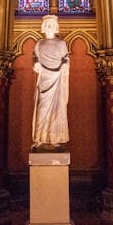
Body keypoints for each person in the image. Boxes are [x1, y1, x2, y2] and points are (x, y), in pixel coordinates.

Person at [32, 15, 70, 150]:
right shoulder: (39, 44)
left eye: (52, 25)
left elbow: (66, 58)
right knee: (42, 109)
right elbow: (35, 57)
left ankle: (54, 139)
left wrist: (65, 64)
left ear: (56, 27)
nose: (49, 27)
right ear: (43, 27)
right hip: (44, 80)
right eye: (47, 25)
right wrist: (36, 63)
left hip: (57, 78)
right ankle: (40, 138)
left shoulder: (61, 43)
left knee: (57, 109)